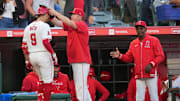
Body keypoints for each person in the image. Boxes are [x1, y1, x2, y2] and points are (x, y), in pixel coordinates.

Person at [110, 20, 165, 101]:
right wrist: (120, 56)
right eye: (138, 29)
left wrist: (151, 64)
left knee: (154, 97)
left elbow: (161, 56)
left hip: (151, 74)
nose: (139, 30)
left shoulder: (154, 40)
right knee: (139, 98)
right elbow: (128, 58)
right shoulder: (133, 43)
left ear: (145, 29)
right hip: (139, 75)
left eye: (141, 28)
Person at [49, 8, 92, 101]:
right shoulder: (72, 26)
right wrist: (51, 16)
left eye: (73, 14)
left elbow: (69, 22)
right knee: (82, 87)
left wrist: (56, 12)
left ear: (79, 16)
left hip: (81, 60)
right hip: (77, 60)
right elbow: (59, 23)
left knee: (80, 87)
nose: (71, 16)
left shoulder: (82, 24)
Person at [22, 6, 58, 101]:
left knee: (41, 81)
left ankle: (40, 99)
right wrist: (53, 54)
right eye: (48, 16)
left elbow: (24, 46)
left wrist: (27, 60)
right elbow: (46, 41)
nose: (48, 18)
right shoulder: (44, 26)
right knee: (48, 82)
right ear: (45, 14)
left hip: (32, 55)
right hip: (43, 54)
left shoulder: (28, 27)